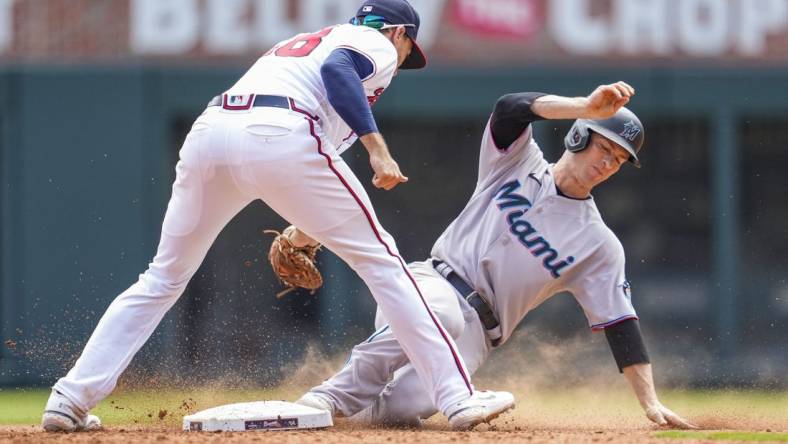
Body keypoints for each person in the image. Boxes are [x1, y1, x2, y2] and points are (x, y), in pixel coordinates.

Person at [42, 0, 512, 432]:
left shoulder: (298, 48)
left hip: (212, 134)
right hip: (280, 129)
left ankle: (69, 398)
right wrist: (378, 149)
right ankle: (458, 397)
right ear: (398, 32)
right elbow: (337, 70)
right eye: (408, 48)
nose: (402, 61)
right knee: (386, 266)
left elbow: (312, 173)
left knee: (162, 278)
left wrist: (302, 232)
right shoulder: (371, 41)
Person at [294, 82, 698, 430]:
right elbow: (510, 108)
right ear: (579, 136)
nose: (608, 162)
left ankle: (344, 418)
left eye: (619, 159)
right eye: (605, 147)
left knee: (405, 408)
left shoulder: (598, 244)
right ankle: (330, 395)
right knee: (442, 313)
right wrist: (583, 105)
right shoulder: (517, 162)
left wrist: (650, 401)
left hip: (479, 336)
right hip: (432, 282)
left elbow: (621, 324)